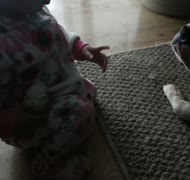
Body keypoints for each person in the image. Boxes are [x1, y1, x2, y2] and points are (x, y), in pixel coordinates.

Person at [0, 0, 109, 179]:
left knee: (88, 92)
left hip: (53, 84)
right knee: (83, 113)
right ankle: (47, 162)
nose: (48, 1)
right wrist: (10, 120)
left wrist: (82, 49)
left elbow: (57, 33)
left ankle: (73, 99)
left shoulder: (34, 10)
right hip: (30, 118)